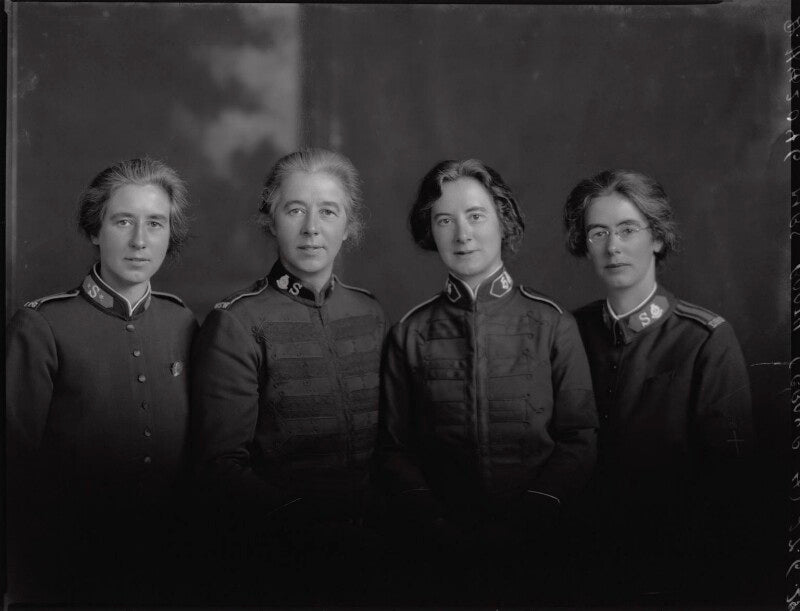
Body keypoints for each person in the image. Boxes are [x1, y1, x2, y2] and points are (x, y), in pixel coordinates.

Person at [377, 159, 598, 604]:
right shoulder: (409, 332)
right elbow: (393, 448)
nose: (462, 234)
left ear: (503, 221)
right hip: (438, 553)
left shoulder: (552, 324)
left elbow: (580, 437)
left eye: (476, 216)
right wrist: (435, 524)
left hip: (539, 547)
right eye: (444, 220)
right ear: (431, 231)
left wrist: (531, 516)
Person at [191, 148, 386, 605]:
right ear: (271, 220)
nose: (312, 228)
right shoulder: (236, 322)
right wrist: (312, 527)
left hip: (374, 559)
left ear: (349, 226)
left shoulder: (370, 313)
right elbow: (221, 467)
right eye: (295, 210)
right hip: (280, 561)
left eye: (328, 211)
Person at [6, 158, 197, 605]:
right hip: (70, 571)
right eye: (123, 221)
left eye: (155, 223)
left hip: (169, 568)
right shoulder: (42, 325)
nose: (139, 240)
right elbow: (15, 470)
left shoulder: (182, 321)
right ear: (95, 230)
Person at [562, 169, 754, 601]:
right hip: (578, 569)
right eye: (598, 233)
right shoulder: (567, 333)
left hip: (676, 571)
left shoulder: (705, 339)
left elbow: (731, 485)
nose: (613, 246)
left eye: (628, 229)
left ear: (657, 238)